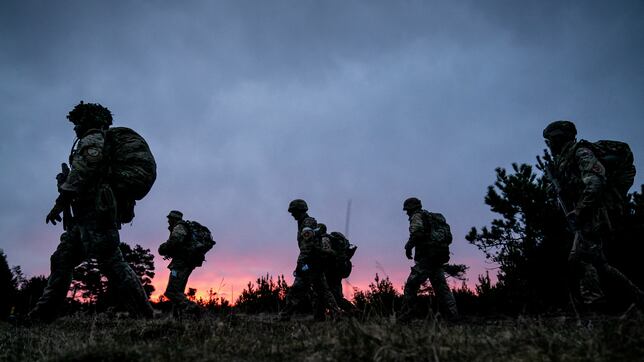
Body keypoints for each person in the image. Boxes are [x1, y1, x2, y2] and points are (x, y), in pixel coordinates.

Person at [29, 102, 154, 322]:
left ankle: (145, 316)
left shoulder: (93, 138)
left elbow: (85, 169)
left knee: (112, 264)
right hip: (85, 217)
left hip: (97, 215)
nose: (75, 128)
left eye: (78, 122)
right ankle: (42, 315)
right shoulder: (96, 140)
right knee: (62, 259)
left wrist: (61, 200)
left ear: (88, 121)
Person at [542, 120, 643, 307]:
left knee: (580, 258)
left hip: (596, 212)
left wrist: (579, 210)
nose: (548, 145)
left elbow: (595, 183)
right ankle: (638, 298)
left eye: (550, 140)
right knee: (597, 262)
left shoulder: (581, 153)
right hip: (588, 213)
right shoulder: (564, 159)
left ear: (558, 138)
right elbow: (572, 184)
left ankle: (595, 306)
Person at [279, 199, 341, 321]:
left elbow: (306, 247)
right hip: (315, 262)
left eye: (294, 211)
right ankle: (335, 315)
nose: (292, 214)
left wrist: (300, 264)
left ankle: (285, 316)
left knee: (297, 290)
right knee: (322, 290)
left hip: (310, 263)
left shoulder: (306, 224)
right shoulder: (305, 223)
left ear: (300, 210)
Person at [399, 197, 458, 321]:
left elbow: (417, 233)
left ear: (411, 208)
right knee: (441, 287)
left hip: (427, 258)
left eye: (407, 210)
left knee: (411, 285)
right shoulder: (432, 217)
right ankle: (453, 316)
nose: (407, 213)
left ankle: (406, 316)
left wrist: (408, 246)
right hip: (437, 257)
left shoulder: (417, 216)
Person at [158, 210, 214, 316]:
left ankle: (199, 312)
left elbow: (174, 242)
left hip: (181, 263)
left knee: (172, 292)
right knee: (178, 292)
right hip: (187, 262)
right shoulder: (185, 227)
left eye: (169, 218)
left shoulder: (179, 227)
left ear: (174, 219)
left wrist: (163, 248)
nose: (168, 221)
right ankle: (177, 320)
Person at [318, 223, 357, 314]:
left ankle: (355, 312)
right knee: (334, 297)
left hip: (330, 271)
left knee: (333, 297)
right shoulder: (332, 239)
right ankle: (351, 312)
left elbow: (326, 253)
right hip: (334, 271)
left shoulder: (325, 239)